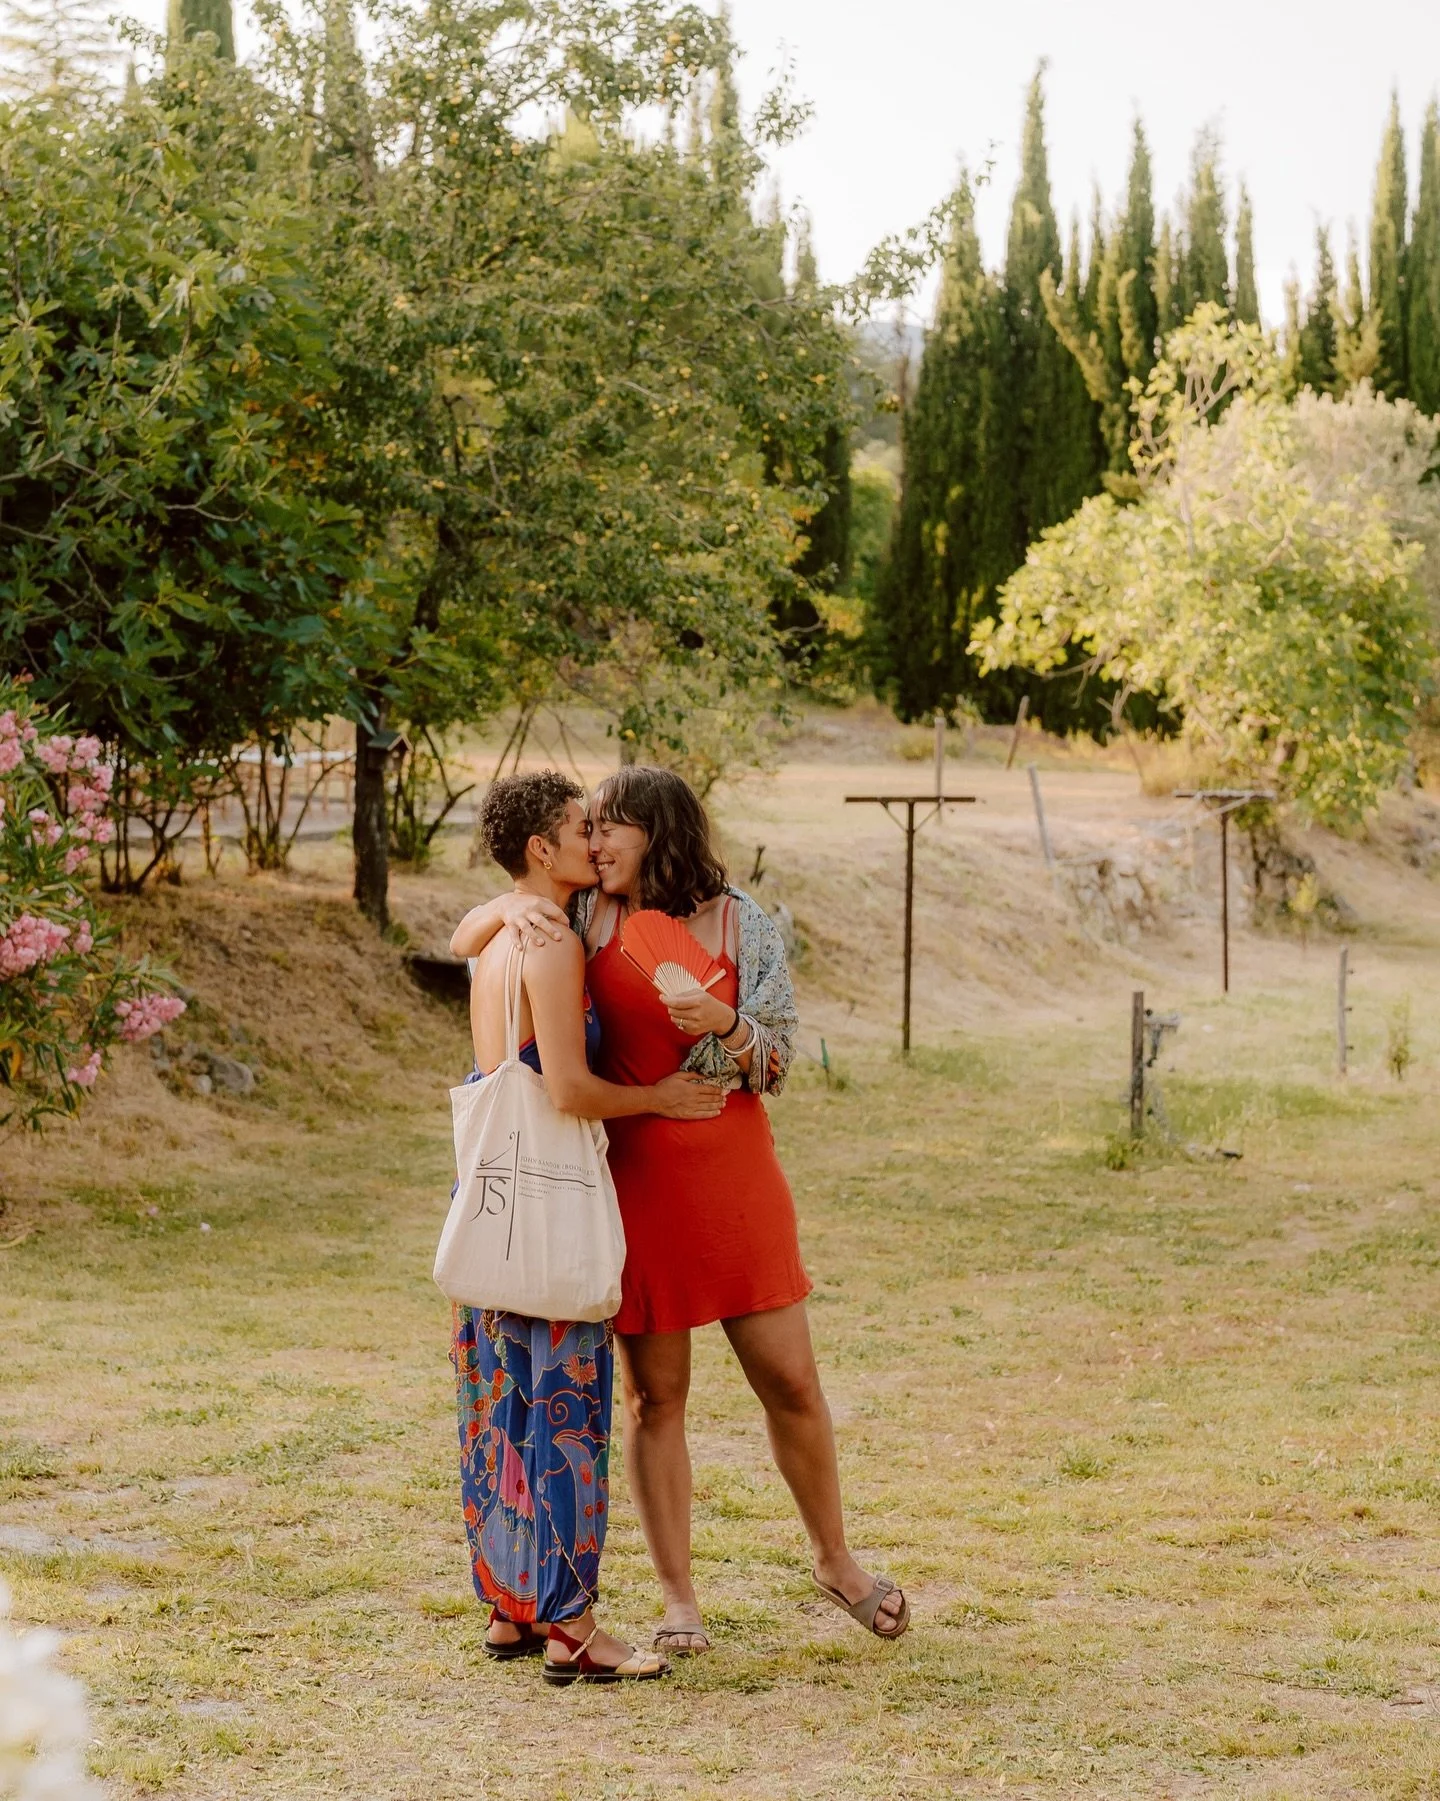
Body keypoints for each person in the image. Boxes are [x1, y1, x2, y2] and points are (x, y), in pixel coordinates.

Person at [452, 765, 909, 1654]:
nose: (594, 843)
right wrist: (504, 910)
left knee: (791, 1381)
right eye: (588, 830)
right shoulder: (583, 914)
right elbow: (478, 928)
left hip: (735, 1180)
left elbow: (777, 1060)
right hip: (635, 1182)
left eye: (609, 828)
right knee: (655, 1398)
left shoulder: (743, 920)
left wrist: (725, 1023)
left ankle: (835, 1559)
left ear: (656, 831)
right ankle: (680, 1602)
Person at [451, 770, 725, 1685]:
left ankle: (511, 1606)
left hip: (495, 1207)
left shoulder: (497, 940)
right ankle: (574, 1624)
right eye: (579, 827)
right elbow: (566, 1089)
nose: (594, 840)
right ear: (541, 849)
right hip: (550, 1205)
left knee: (506, 1406)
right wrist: (659, 1097)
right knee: (565, 1412)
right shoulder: (555, 943)